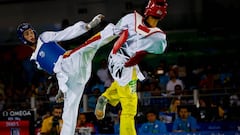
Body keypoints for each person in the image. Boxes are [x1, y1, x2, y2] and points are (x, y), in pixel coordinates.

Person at [16, 14, 118, 135]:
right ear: (23, 39)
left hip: (70, 62)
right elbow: (56, 73)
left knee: (88, 47)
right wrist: (61, 90)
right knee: (69, 111)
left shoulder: (44, 38)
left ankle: (115, 29)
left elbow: (65, 33)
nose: (31, 35)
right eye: (26, 34)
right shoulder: (35, 60)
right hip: (70, 79)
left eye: (30, 32)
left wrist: (88, 26)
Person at [94, 0, 168, 135]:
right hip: (124, 67)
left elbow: (112, 32)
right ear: (163, 15)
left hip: (114, 59)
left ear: (147, 10)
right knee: (129, 106)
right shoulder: (159, 37)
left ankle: (106, 97)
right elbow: (159, 49)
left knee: (126, 87)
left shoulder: (130, 18)